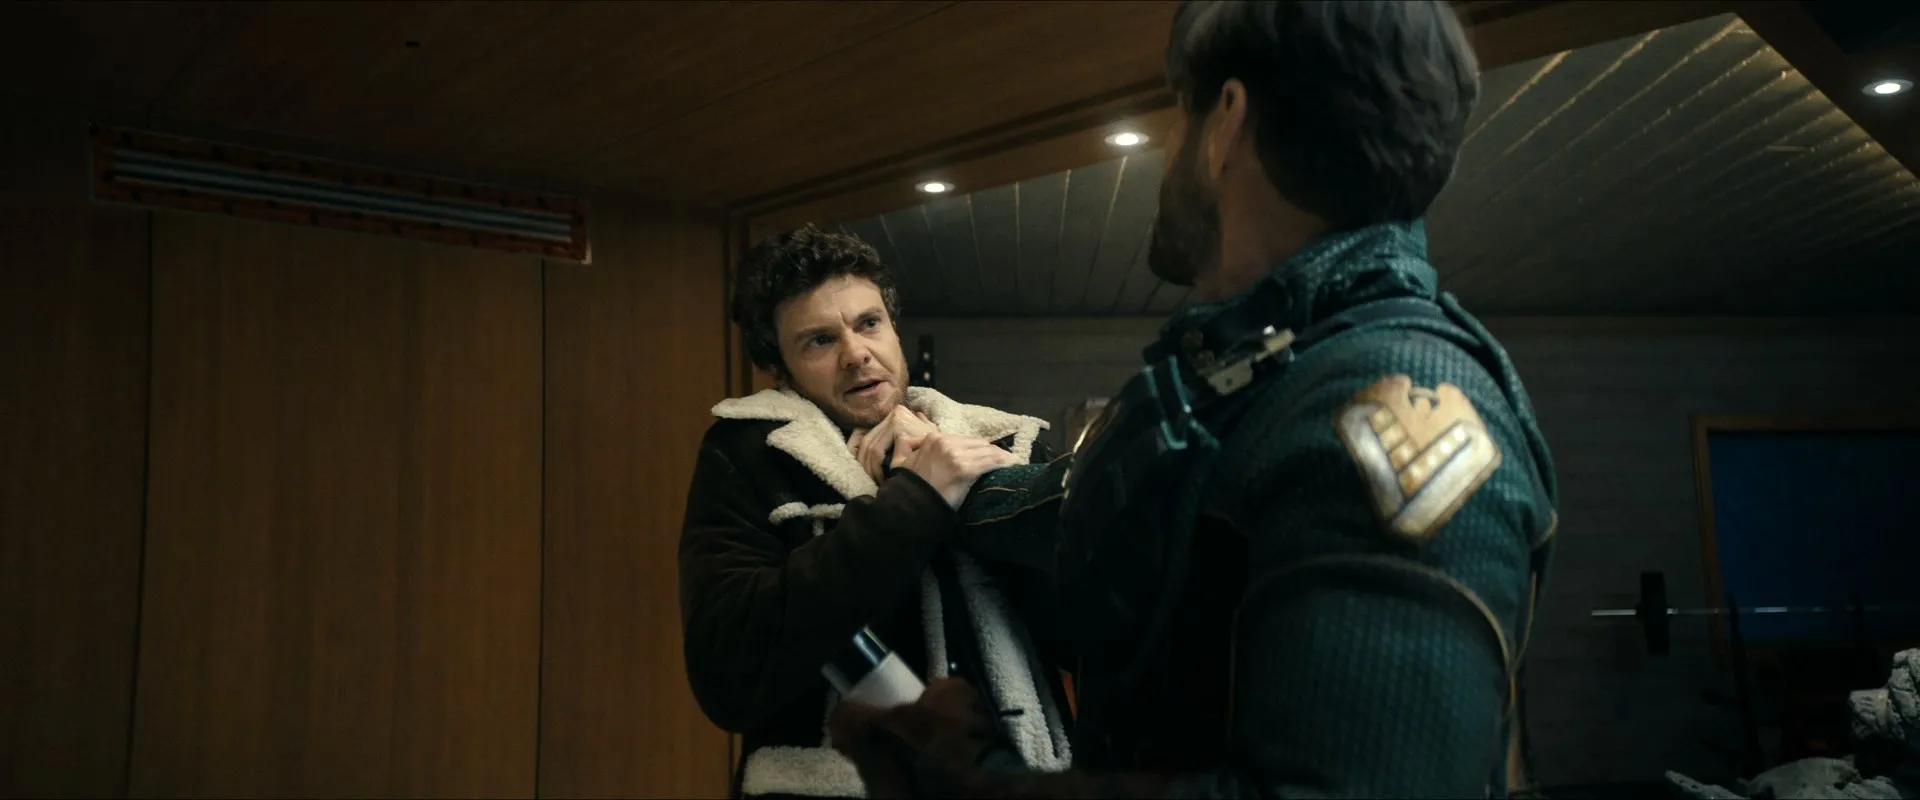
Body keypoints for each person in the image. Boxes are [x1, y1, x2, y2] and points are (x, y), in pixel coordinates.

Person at [828, 1, 1560, 797]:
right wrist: (936, 467)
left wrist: (963, 780)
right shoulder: (1265, 377)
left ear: (1227, 122)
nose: (1170, 147)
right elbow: (1097, 509)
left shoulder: (1389, 407)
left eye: (1180, 113)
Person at [678, 225, 1074, 800]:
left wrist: (979, 486)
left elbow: (1088, 636)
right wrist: (915, 501)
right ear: (780, 370)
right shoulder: (748, 454)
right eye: (820, 341)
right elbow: (729, 677)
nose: (856, 354)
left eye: (869, 323)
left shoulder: (1005, 444)